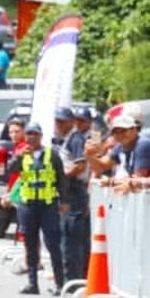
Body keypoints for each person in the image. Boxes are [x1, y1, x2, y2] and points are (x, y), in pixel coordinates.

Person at [9, 122, 66, 296]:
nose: (32, 137)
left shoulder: (51, 155)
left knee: (52, 243)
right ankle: (32, 283)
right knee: (30, 244)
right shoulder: (22, 154)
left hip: (47, 205)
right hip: (28, 205)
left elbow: (61, 179)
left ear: (41, 136)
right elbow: (11, 170)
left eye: (35, 134)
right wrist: (19, 156)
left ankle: (59, 284)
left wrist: (64, 200)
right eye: (29, 134)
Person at [56, 107, 91, 281]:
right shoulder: (67, 139)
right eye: (57, 121)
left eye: (62, 121)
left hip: (75, 190)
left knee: (71, 235)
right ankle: (72, 276)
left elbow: (80, 166)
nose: (58, 124)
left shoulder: (75, 138)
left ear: (71, 122)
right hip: (70, 190)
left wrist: (60, 178)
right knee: (69, 234)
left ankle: (72, 278)